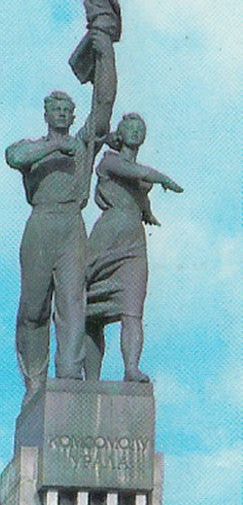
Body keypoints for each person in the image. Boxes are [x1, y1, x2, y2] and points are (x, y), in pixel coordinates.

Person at [5, 23, 116, 395]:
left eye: (68, 110)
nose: (64, 114)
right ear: (47, 114)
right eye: (58, 109)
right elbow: (14, 157)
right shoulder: (33, 147)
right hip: (41, 224)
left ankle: (68, 376)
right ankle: (34, 381)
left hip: (71, 225)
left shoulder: (81, 145)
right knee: (34, 308)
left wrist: (105, 54)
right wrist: (55, 147)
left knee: (72, 304)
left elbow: (103, 107)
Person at [84, 113, 182, 383]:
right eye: (131, 128)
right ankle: (91, 379)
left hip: (134, 242)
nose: (136, 132)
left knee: (133, 309)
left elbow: (139, 195)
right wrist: (163, 179)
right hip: (108, 236)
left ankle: (131, 368)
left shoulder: (138, 173)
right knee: (90, 312)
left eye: (141, 128)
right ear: (120, 134)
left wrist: (147, 212)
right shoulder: (110, 161)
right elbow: (137, 173)